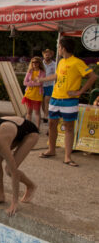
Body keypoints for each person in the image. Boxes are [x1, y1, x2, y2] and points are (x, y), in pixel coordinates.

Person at [38, 37, 96, 166]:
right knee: (52, 124)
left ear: (63, 48)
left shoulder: (77, 62)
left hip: (69, 101)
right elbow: (57, 76)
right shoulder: (61, 62)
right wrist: (42, 80)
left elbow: (93, 77)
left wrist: (80, 92)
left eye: (58, 47)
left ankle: (67, 157)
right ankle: (51, 150)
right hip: (55, 98)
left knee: (69, 128)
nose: (57, 49)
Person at [22, 57, 45, 129]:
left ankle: (37, 128)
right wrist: (33, 82)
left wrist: (30, 83)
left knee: (37, 112)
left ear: (39, 63)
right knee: (29, 112)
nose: (34, 64)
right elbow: (24, 82)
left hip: (37, 94)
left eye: (36, 62)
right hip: (29, 94)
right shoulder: (29, 71)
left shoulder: (42, 72)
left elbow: (40, 83)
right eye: (33, 62)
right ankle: (28, 127)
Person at [41, 49, 56, 123]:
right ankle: (45, 113)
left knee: (47, 100)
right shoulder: (41, 63)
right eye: (46, 54)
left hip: (50, 85)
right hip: (41, 85)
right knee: (42, 102)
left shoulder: (54, 64)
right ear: (43, 55)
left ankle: (46, 116)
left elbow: (55, 74)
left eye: (49, 54)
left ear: (51, 55)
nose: (47, 56)